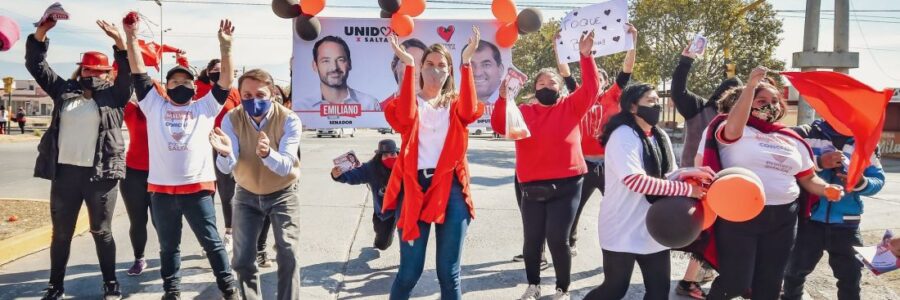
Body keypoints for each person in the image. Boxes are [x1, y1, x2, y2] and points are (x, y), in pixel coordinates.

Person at [697, 67, 844, 300]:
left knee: (769, 286)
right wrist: (751, 86)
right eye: (762, 99)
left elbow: (807, 177)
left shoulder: (790, 137)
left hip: (783, 218)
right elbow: (733, 127)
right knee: (734, 281)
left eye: (775, 100)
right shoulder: (729, 127)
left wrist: (826, 189)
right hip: (738, 216)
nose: (771, 105)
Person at [124, 18, 238, 300]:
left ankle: (229, 289)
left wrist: (226, 48)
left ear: (194, 86)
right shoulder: (154, 104)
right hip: (161, 192)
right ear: (166, 85)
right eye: (174, 81)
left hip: (198, 190)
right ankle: (171, 292)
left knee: (213, 244)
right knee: (168, 247)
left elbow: (225, 81)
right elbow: (138, 71)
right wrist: (131, 37)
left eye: (186, 81)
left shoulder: (205, 107)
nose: (180, 85)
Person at [25, 17, 132, 300]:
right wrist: (41, 33)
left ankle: (111, 284)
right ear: (80, 69)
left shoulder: (116, 96)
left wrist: (120, 42)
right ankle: (55, 286)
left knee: (101, 231)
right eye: (88, 68)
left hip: (102, 175)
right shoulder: (64, 92)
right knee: (61, 234)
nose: (93, 73)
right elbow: (37, 66)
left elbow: (129, 72)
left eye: (99, 70)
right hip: (65, 175)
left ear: (108, 72)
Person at [490, 30, 601, 300]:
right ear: (533, 88)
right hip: (531, 185)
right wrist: (504, 98)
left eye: (551, 82)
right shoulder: (524, 111)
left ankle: (562, 289)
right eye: (540, 82)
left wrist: (585, 57)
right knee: (532, 240)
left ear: (559, 88)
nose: (545, 85)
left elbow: (592, 89)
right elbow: (498, 125)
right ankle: (533, 284)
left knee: (558, 240)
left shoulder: (571, 107)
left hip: (568, 184)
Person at [582, 82, 713, 300]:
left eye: (657, 101)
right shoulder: (623, 136)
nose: (656, 106)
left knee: (659, 291)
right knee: (614, 289)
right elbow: (636, 181)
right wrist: (687, 189)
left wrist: (692, 171)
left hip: (654, 227)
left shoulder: (659, 135)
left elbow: (666, 176)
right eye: (650, 101)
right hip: (621, 228)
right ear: (633, 107)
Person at [382, 27, 485, 300]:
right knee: (409, 273)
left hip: (451, 189)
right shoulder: (407, 103)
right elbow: (404, 118)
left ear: (449, 71)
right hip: (414, 188)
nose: (435, 70)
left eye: (442, 65)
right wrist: (408, 65)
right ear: (421, 68)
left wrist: (466, 62)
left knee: (449, 274)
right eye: (429, 64)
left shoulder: (457, 104)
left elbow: (469, 110)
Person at [209, 66, 303, 300]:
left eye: (260, 95)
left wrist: (266, 154)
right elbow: (226, 166)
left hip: (283, 193)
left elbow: (285, 166)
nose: (254, 101)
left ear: (272, 94)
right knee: (241, 259)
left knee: (287, 252)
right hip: (246, 194)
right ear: (240, 95)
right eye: (247, 96)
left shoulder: (289, 119)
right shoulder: (232, 118)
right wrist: (223, 154)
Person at [781, 120, 886, 300]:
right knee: (793, 272)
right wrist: (820, 162)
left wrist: (861, 183)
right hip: (808, 219)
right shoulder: (807, 134)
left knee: (851, 277)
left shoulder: (865, 141)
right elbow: (787, 165)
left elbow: (878, 179)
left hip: (847, 223)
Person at [670, 41, 743, 299]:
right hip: (698, 183)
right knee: (704, 232)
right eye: (735, 97)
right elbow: (678, 90)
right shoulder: (699, 108)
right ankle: (689, 281)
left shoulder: (743, 121)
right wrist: (685, 61)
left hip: (729, 185)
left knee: (717, 233)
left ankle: (701, 274)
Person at [564, 24, 637, 258]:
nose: (597, 79)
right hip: (584, 164)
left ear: (604, 82)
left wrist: (631, 42)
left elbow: (626, 70)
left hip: (608, 165)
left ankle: (625, 243)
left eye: (601, 77)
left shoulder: (612, 95)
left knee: (620, 206)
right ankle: (569, 241)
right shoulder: (579, 96)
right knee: (574, 207)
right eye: (594, 76)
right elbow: (564, 72)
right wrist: (559, 47)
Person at [330, 139, 400, 250]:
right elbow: (355, 175)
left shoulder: (405, 165)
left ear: (397, 153)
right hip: (385, 212)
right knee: (382, 244)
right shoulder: (372, 168)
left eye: (392, 154)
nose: (390, 157)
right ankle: (384, 234)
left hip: (403, 210)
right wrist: (338, 175)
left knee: (410, 239)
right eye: (385, 155)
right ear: (379, 156)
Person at [301, 35, 380, 111]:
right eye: (326, 61)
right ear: (315, 66)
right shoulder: (301, 107)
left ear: (349, 64)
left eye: (340, 60)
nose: (334, 68)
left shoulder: (369, 105)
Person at [381, 38, 428, 111]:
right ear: (394, 66)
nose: (414, 70)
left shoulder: (436, 110)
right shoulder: (380, 108)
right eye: (406, 61)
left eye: (420, 63)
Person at [460, 39, 504, 105]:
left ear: (500, 69)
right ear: (461, 69)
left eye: (486, 65)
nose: (478, 73)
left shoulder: (509, 106)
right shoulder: (452, 108)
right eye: (471, 65)